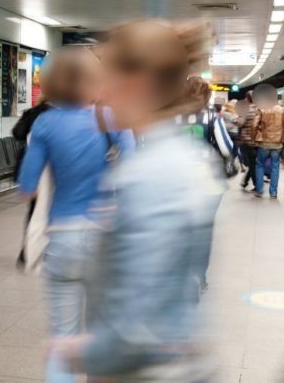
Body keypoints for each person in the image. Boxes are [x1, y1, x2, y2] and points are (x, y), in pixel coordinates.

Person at [53, 19, 223, 381]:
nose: (99, 93)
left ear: (137, 82)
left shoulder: (151, 175)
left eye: (106, 77)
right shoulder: (184, 158)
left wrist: (86, 353)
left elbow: (139, 328)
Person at [17, 46, 135, 383]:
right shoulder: (110, 118)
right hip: (103, 236)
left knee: (63, 339)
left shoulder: (43, 124)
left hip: (63, 239)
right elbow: (132, 164)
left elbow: (28, 186)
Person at [12, 96, 53, 269]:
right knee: (48, 208)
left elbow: (17, 133)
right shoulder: (57, 115)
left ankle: (26, 249)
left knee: (33, 210)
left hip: (31, 166)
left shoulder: (31, 113)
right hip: (49, 169)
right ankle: (44, 248)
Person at [252, 100, 284, 198]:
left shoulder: (261, 109)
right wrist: (281, 128)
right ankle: (273, 193)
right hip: (277, 144)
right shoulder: (282, 110)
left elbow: (254, 125)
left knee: (260, 165)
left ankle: (259, 190)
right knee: (275, 167)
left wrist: (254, 139)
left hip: (264, 143)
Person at [239, 92, 258, 191]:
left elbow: (241, 123)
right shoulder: (259, 109)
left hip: (248, 139)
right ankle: (245, 181)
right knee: (254, 163)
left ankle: (256, 185)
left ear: (247, 99)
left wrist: (235, 120)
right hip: (258, 140)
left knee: (252, 164)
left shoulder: (247, 109)